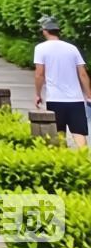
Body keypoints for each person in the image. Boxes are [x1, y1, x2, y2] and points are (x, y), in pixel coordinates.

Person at [33, 15, 91, 149]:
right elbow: (83, 74)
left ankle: (65, 165)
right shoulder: (72, 48)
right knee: (79, 133)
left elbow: (39, 74)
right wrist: (89, 95)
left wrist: (37, 94)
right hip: (75, 99)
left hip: (55, 99)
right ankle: (85, 163)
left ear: (44, 31)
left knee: (59, 134)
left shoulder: (41, 48)